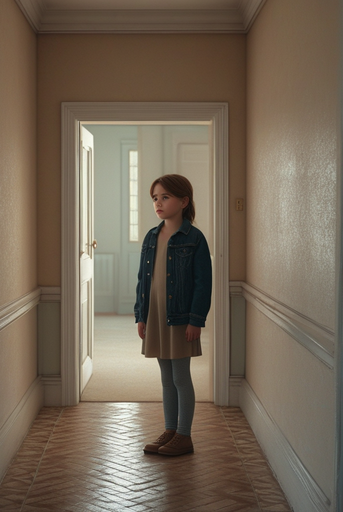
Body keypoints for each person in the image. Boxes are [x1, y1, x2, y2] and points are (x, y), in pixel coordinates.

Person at [134, 174, 212, 456]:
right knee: (166, 378)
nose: (158, 202)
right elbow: (143, 278)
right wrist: (140, 315)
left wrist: (195, 319)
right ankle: (170, 429)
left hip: (180, 318)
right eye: (155, 197)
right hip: (155, 316)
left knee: (180, 377)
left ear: (183, 201)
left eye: (165, 197)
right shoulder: (152, 236)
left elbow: (203, 283)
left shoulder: (194, 238)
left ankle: (184, 435)